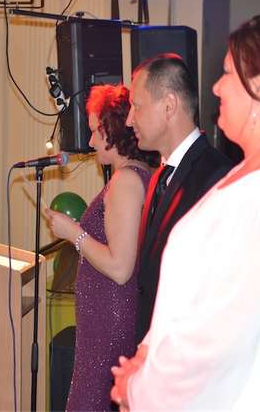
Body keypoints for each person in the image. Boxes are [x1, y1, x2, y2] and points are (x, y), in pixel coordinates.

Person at [111, 14, 260, 411]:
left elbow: (213, 350)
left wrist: (138, 387)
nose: (216, 87)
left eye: (227, 74)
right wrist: (149, 351)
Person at [46, 83, 159, 411]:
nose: (91, 141)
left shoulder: (126, 182)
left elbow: (121, 268)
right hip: (107, 316)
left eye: (96, 131)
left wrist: (73, 233)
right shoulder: (137, 175)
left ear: (114, 132)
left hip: (109, 319)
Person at [126, 53, 232, 343]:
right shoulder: (160, 175)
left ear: (169, 105)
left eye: (137, 106)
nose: (129, 119)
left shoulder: (217, 177)